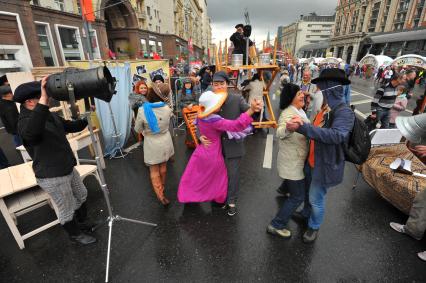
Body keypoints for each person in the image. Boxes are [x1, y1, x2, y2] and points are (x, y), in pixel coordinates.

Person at [15, 78, 96, 245]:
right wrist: (43, 103)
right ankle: (75, 235)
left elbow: (71, 127)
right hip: (52, 175)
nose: (49, 98)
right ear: (30, 101)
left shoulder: (49, 115)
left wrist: (86, 117)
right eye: (43, 96)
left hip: (67, 167)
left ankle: (82, 223)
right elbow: (32, 134)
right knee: (66, 207)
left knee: (81, 194)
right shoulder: (25, 122)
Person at [286, 68, 355, 243]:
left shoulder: (344, 111)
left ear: (330, 88)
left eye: (321, 88)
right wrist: (303, 122)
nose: (318, 91)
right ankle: (305, 214)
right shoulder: (325, 107)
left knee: (316, 199)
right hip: (312, 160)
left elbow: (336, 135)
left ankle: (314, 226)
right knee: (309, 193)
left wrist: (302, 127)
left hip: (325, 164)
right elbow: (316, 129)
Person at [178, 91, 261, 203]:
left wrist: (200, 136)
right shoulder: (215, 120)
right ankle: (219, 200)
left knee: (194, 177)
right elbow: (236, 125)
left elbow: (196, 125)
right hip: (213, 155)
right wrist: (250, 110)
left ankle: (187, 196)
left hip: (201, 152)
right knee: (219, 179)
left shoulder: (201, 115)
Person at [199, 71, 252, 216]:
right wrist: (199, 136)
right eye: (215, 84)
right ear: (212, 85)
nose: (218, 87)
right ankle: (220, 197)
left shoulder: (237, 98)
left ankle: (232, 201)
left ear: (227, 84)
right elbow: (199, 118)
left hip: (233, 145)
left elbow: (248, 111)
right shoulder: (208, 99)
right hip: (215, 146)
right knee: (218, 174)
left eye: (221, 83)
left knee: (233, 174)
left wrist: (254, 109)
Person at [267, 84, 310, 238]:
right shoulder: (287, 113)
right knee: (297, 197)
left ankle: (284, 189)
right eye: (298, 94)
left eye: (301, 93)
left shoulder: (299, 110)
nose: (302, 96)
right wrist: (288, 129)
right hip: (293, 162)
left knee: (299, 191)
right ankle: (276, 225)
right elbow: (279, 132)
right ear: (291, 97)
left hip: (297, 159)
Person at [134, 83, 174, 206]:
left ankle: (161, 195)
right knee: (163, 167)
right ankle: (162, 188)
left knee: (154, 170)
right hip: (166, 140)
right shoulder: (167, 108)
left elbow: (137, 129)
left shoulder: (142, 110)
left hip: (151, 142)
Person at [178, 78, 198, 148]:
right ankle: (189, 141)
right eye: (186, 84)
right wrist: (186, 106)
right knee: (188, 126)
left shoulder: (194, 91)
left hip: (193, 109)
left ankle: (195, 140)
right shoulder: (180, 92)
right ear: (184, 84)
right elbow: (179, 102)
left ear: (191, 84)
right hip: (184, 110)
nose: (187, 85)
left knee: (194, 125)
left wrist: (192, 104)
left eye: (189, 83)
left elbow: (196, 101)